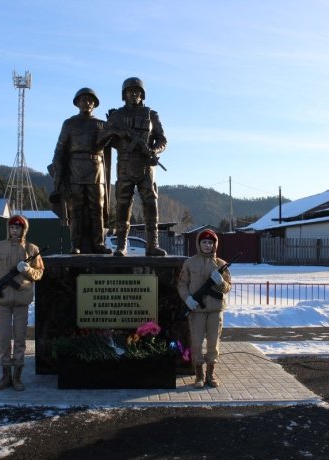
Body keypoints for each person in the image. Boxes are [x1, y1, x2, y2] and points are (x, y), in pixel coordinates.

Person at [99, 77, 167, 257]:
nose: (134, 94)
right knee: (122, 206)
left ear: (142, 94)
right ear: (124, 94)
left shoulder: (151, 114)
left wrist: (153, 149)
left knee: (151, 206)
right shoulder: (116, 116)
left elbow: (162, 140)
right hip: (125, 166)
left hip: (146, 167)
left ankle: (152, 245)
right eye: (130, 91)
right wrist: (114, 131)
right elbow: (104, 140)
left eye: (137, 91)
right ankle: (121, 245)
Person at [0, 215, 44, 391]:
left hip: (21, 301)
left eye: (18, 228)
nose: (14, 230)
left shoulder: (32, 249)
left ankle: (17, 377)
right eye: (12, 227)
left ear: (24, 230)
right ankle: (5, 375)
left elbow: (39, 274)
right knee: (3, 339)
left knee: (20, 339)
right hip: (2, 300)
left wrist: (28, 270)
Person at [50, 87, 112, 255]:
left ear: (95, 104)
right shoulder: (69, 123)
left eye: (90, 100)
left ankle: (98, 243)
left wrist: (114, 125)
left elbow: (114, 142)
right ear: (77, 103)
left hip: (96, 169)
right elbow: (60, 148)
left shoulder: (102, 124)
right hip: (74, 169)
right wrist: (57, 170)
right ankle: (75, 244)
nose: (87, 103)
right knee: (75, 209)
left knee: (97, 208)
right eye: (83, 100)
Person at [177, 229, 232, 389]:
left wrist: (221, 282)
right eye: (204, 242)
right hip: (197, 311)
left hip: (215, 310)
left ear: (215, 244)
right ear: (199, 244)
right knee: (196, 342)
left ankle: (210, 374)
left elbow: (227, 287)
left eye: (210, 242)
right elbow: (182, 284)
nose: (207, 245)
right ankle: (199, 375)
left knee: (213, 343)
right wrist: (187, 298)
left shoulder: (221, 264)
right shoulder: (190, 263)